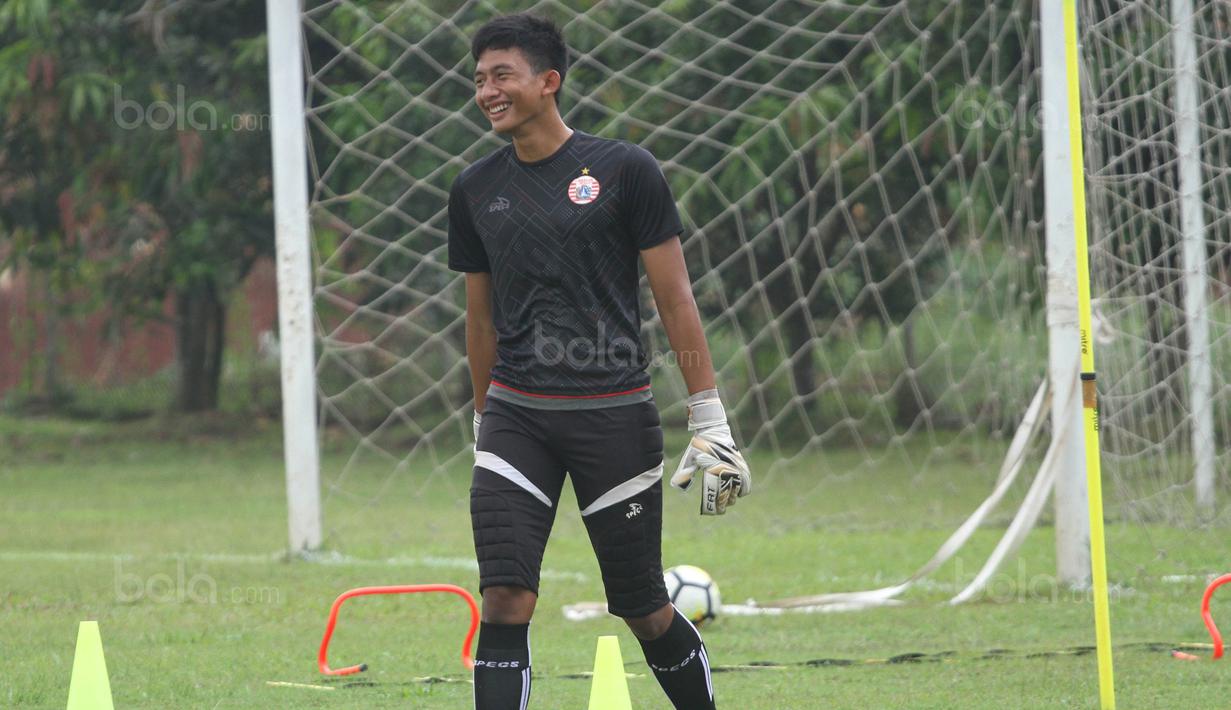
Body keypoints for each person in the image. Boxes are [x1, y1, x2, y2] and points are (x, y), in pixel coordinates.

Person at [447, 13, 752, 710]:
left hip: (613, 416)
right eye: (478, 80)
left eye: (502, 76)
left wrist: (708, 415)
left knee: (642, 607)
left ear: (548, 82)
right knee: (503, 596)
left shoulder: (624, 171)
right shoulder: (472, 189)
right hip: (516, 417)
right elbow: (479, 317)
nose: (487, 91)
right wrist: (482, 421)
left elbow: (675, 300)